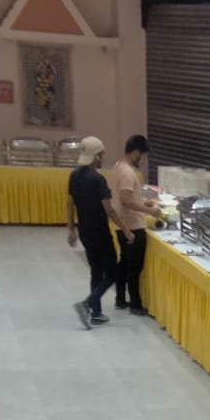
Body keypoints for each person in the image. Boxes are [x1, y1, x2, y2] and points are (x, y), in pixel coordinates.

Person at [66, 136, 132, 329]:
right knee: (112, 273)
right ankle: (87, 304)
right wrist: (126, 230)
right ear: (96, 156)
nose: (102, 158)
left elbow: (70, 204)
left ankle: (95, 312)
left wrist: (71, 229)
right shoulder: (98, 180)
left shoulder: (74, 176)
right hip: (100, 232)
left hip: (84, 231)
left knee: (96, 270)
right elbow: (109, 210)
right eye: (101, 154)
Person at [112, 134, 159, 317]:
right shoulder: (128, 173)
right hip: (132, 226)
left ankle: (120, 298)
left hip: (123, 223)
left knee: (124, 263)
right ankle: (135, 303)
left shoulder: (119, 166)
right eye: (143, 156)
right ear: (136, 153)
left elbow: (128, 197)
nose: (143, 160)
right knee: (135, 267)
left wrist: (142, 201)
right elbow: (125, 200)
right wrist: (149, 211)